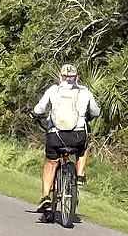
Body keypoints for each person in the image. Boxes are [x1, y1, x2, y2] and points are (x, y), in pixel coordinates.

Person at [31, 63, 100, 211]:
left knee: (50, 162)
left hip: (56, 136)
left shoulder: (53, 90)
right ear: (76, 77)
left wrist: (35, 114)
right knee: (84, 147)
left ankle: (46, 197)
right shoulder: (85, 92)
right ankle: (80, 174)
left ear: (61, 76)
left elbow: (39, 108)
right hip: (77, 135)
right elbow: (95, 112)